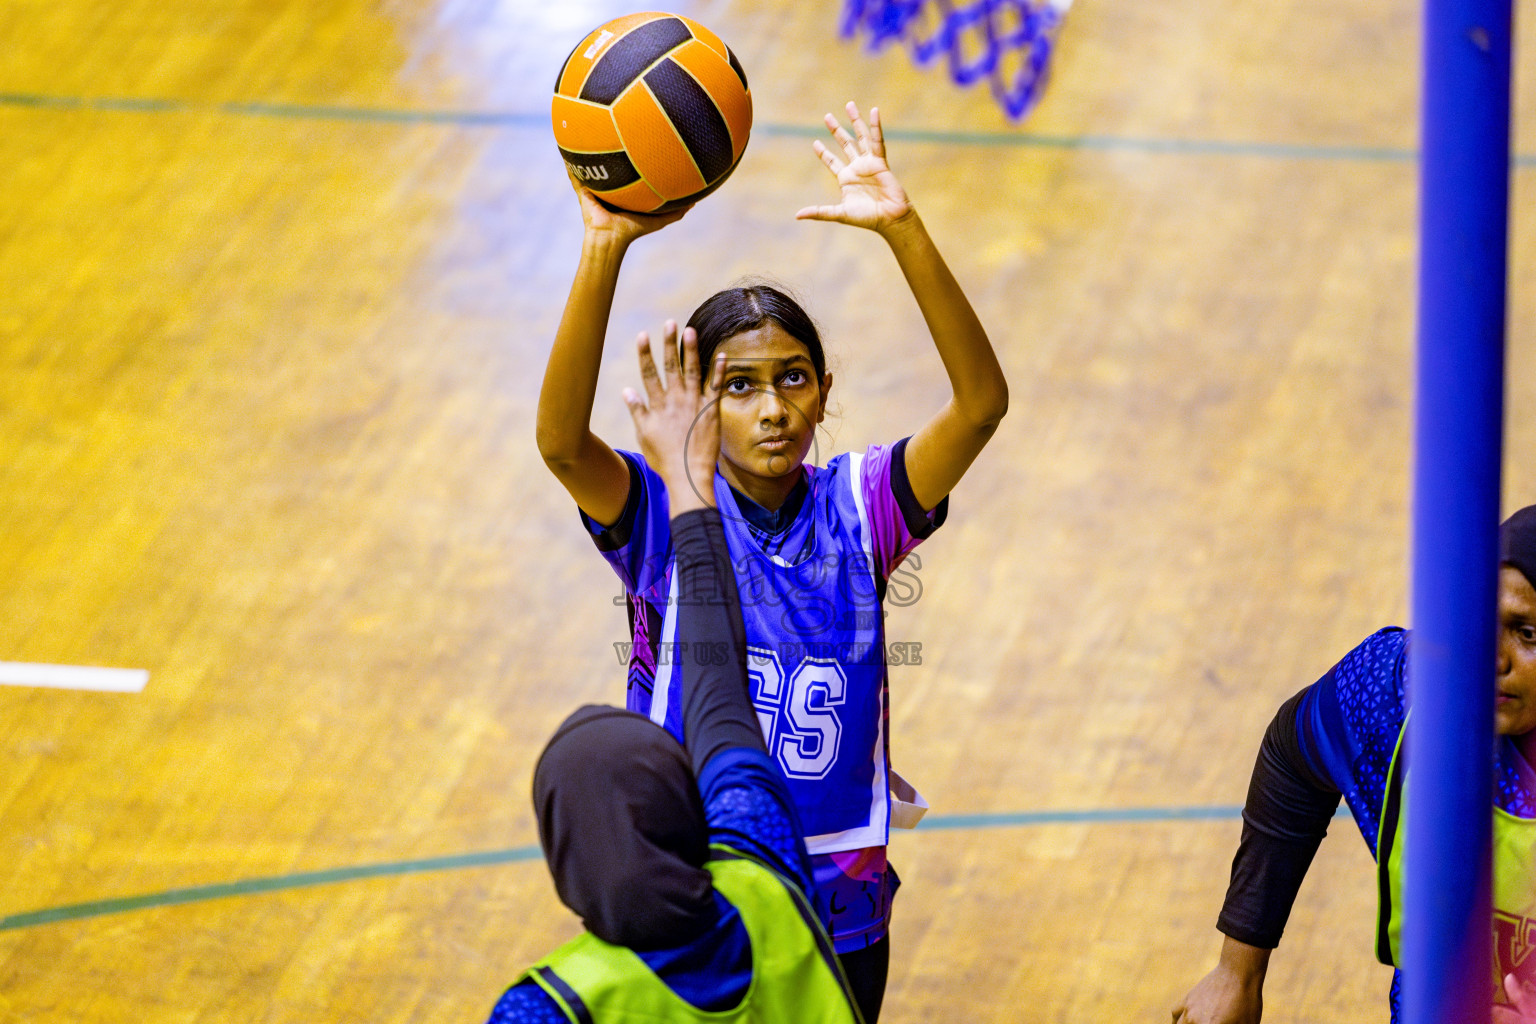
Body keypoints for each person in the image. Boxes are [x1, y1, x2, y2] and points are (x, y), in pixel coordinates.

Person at [535, 101, 1008, 1022]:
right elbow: (560, 445)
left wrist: (903, 229)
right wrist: (605, 247)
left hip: (842, 903)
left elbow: (981, 405)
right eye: (737, 386)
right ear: (694, 401)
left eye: (792, 377)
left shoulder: (861, 507)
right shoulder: (666, 514)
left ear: (825, 391)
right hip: (700, 891)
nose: (772, 408)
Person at [488, 329, 863, 1023]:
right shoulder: (768, 871)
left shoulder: (551, 1007)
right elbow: (721, 703)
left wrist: (602, 245)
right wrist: (691, 490)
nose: (772, 411)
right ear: (684, 806)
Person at [1172, 506, 1536, 1023]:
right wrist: (1237, 971)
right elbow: (1293, 755)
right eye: (1486, 623)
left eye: (1527, 635)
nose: (1494, 659)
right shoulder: (1404, 694)